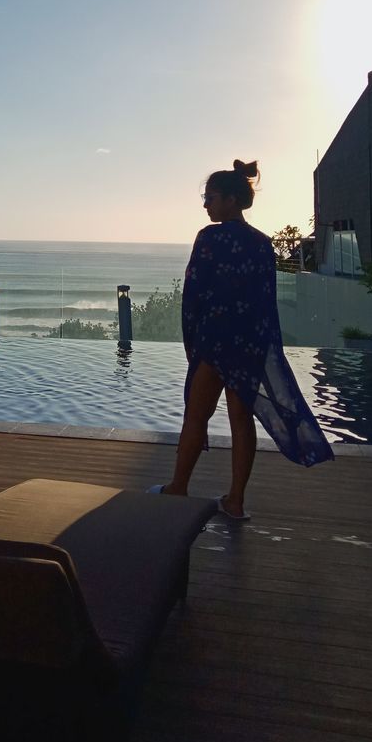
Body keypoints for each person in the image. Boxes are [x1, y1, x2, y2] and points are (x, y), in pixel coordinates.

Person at [151, 159, 333, 518]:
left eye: (211, 197)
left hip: (215, 342)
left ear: (232, 200)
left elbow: (194, 295)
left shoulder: (210, 237)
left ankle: (178, 488)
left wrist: (193, 344)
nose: (206, 204)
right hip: (248, 345)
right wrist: (266, 349)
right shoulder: (262, 244)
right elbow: (265, 302)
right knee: (241, 420)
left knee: (196, 417)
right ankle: (235, 500)